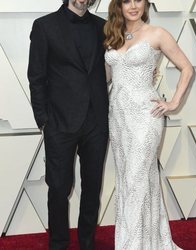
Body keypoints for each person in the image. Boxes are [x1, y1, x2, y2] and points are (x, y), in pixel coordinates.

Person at [104, 0, 193, 249]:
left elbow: (186, 68)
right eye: (126, 1)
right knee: (130, 180)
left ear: (145, 3)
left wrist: (173, 102)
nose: (133, 6)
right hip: (118, 118)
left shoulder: (157, 33)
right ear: (118, 6)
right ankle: (150, 242)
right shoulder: (113, 36)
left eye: (138, 0)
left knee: (135, 179)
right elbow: (107, 76)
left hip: (146, 116)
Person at [27, 0, 109, 249]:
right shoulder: (44, 26)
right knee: (59, 189)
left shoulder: (103, 27)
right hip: (60, 123)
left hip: (96, 121)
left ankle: (87, 242)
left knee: (92, 187)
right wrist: (44, 121)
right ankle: (59, 243)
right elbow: (36, 76)